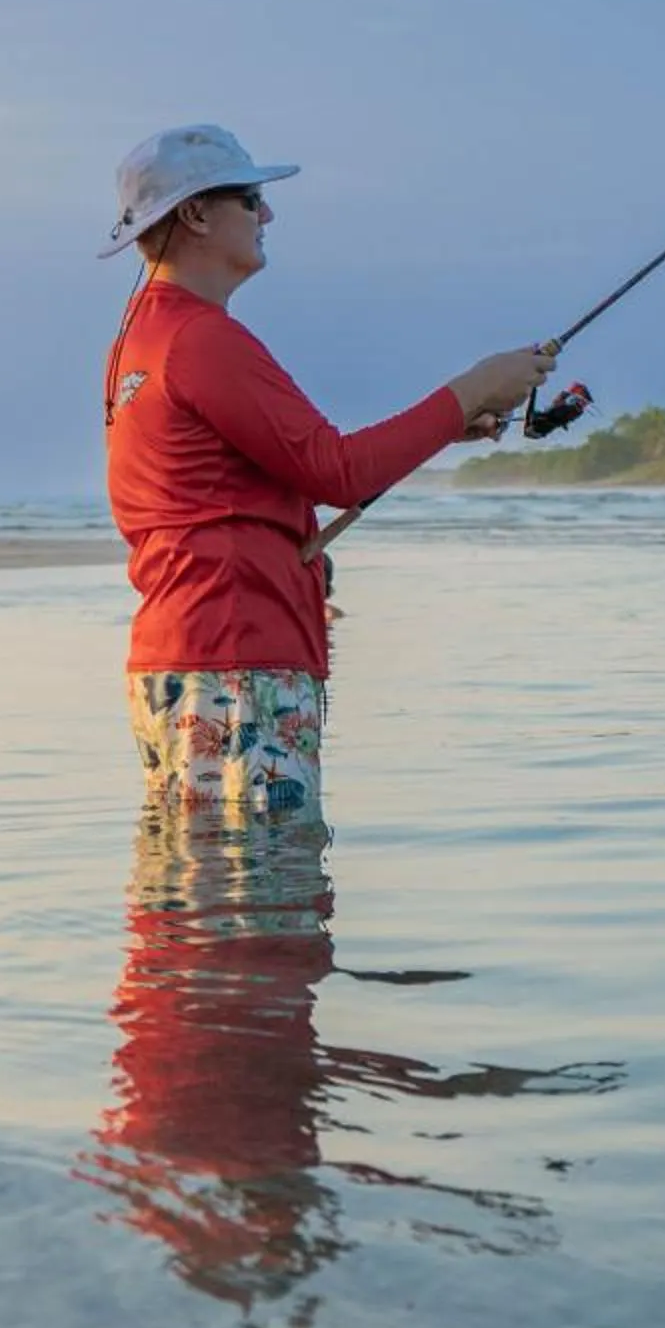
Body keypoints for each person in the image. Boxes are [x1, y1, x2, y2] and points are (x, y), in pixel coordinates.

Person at [100, 124, 552, 812]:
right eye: (251, 200)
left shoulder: (143, 336)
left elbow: (271, 466)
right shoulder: (201, 338)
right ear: (194, 213)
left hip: (185, 655)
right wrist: (473, 385)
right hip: (237, 657)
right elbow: (335, 470)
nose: (268, 215)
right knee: (261, 893)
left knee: (199, 896)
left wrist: (451, 423)